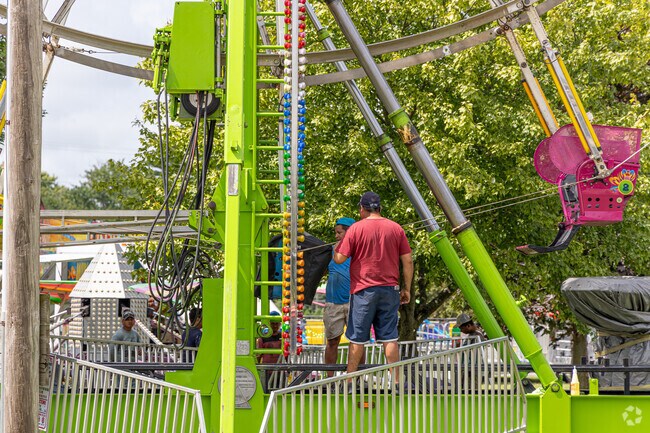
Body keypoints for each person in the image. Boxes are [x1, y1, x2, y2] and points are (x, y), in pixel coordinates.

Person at [334, 191, 413, 381]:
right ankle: (396, 381)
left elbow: (339, 259)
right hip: (390, 289)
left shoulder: (355, 229)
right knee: (389, 338)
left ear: (362, 209)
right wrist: (407, 289)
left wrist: (339, 244)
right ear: (380, 208)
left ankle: (350, 380)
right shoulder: (396, 228)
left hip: (363, 291)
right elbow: (408, 261)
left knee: (357, 338)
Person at [323, 217, 359, 377]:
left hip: (354, 301)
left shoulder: (359, 250)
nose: (336, 236)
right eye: (335, 233)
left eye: (339, 233)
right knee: (332, 341)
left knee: (357, 342)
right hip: (333, 303)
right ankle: (329, 379)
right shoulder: (330, 250)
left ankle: (357, 377)